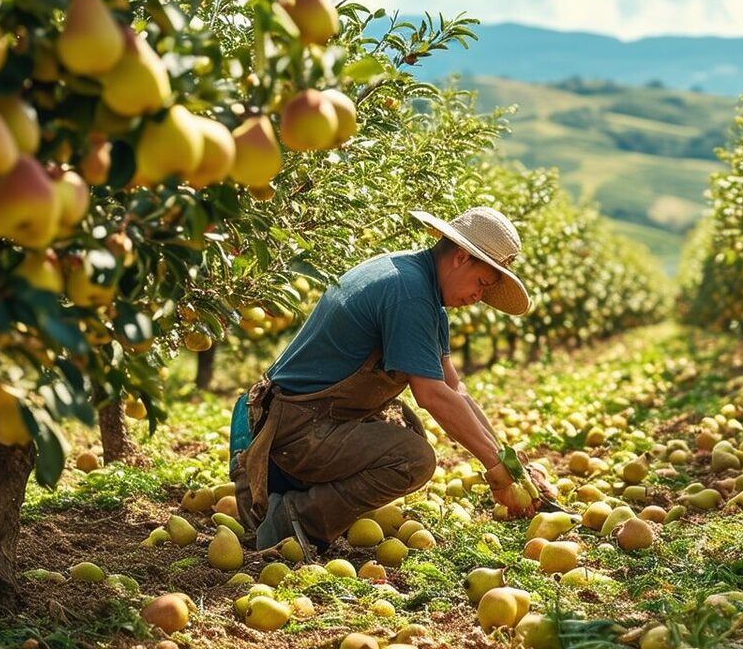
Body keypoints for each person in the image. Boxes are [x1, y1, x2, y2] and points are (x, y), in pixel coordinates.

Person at [229, 206, 540, 557]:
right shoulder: (409, 294)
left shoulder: (419, 287)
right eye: (482, 283)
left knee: (406, 435)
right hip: (292, 432)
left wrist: (509, 463)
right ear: (462, 257)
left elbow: (455, 390)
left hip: (304, 421)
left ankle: (290, 497)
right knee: (412, 458)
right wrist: (496, 472)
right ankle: (291, 517)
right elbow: (433, 396)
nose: (478, 298)